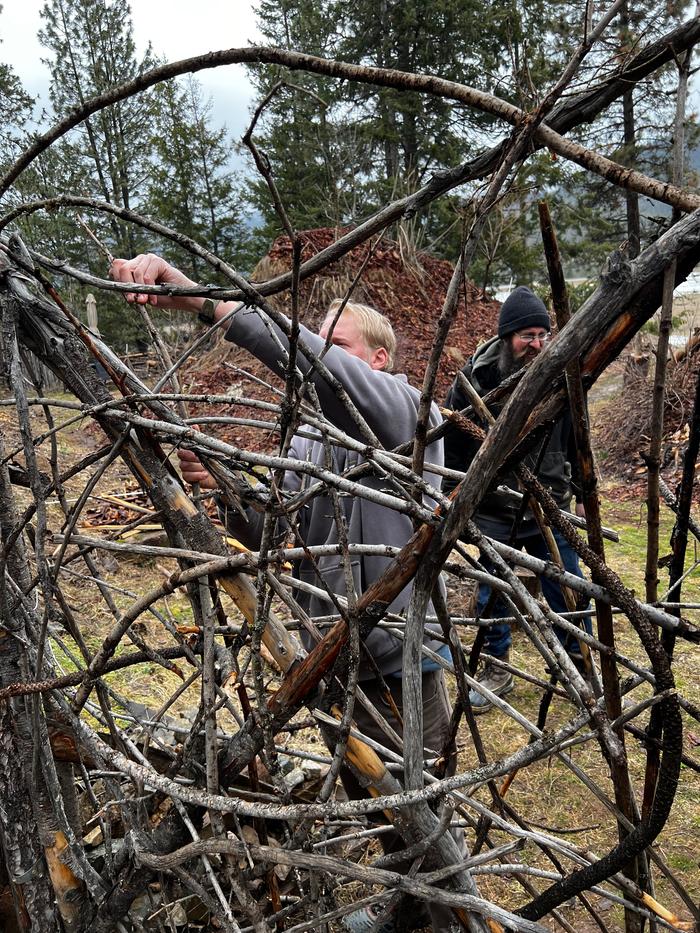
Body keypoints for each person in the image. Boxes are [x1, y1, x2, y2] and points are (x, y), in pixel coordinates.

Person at [111, 255, 461, 932]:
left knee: (423, 819)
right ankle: (409, 910)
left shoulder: (410, 418)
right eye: (319, 340)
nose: (322, 355)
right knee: (375, 805)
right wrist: (218, 480)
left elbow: (322, 371)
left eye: (338, 343)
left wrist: (206, 302)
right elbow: (279, 530)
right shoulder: (308, 437)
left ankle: (445, 917)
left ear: (380, 360)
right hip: (331, 660)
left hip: (397, 662)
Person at [443, 286, 591, 714]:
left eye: (543, 334)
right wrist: (453, 493)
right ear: (507, 336)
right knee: (492, 594)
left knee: (567, 590)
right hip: (493, 508)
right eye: (528, 335)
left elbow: (579, 438)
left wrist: (580, 494)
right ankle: (496, 671)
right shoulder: (475, 377)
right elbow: (454, 442)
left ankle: (578, 673)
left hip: (547, 503)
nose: (537, 345)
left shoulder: (559, 373)